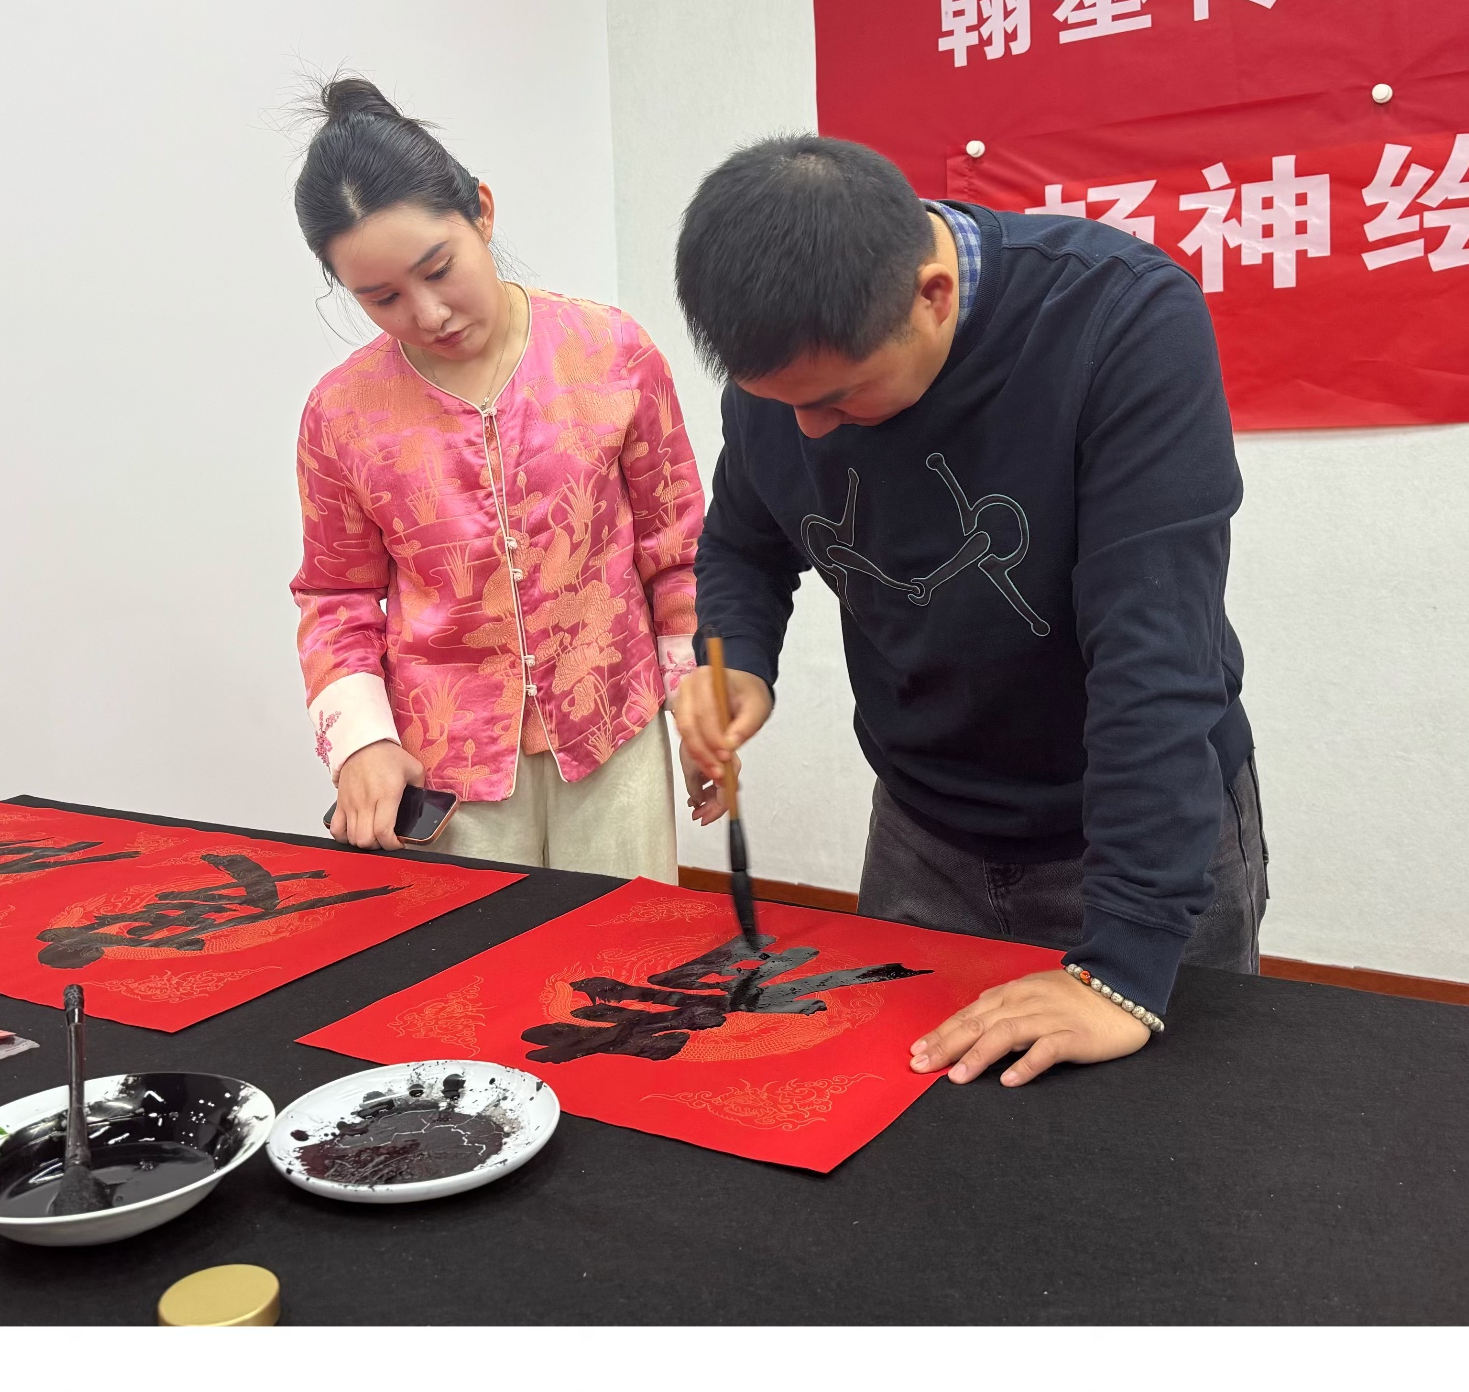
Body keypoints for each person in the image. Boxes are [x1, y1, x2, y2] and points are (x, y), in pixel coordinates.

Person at [667, 136, 1262, 1086]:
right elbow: (744, 539)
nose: (808, 429)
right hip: (922, 831)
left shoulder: (1119, 319)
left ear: (933, 296)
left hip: (1125, 837)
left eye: (837, 399)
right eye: (779, 404)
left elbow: (1154, 656)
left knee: (1163, 1145)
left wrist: (1123, 965)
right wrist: (734, 656)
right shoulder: (789, 376)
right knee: (913, 1136)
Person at [288, 81, 711, 869]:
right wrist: (360, 743)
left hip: (614, 740)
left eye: (439, 269)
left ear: (481, 211)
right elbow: (334, 596)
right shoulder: (341, 414)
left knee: (627, 944)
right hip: (448, 772)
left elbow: (678, 552)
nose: (429, 314)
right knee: (474, 951)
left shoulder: (611, 353)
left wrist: (698, 703)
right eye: (382, 298)